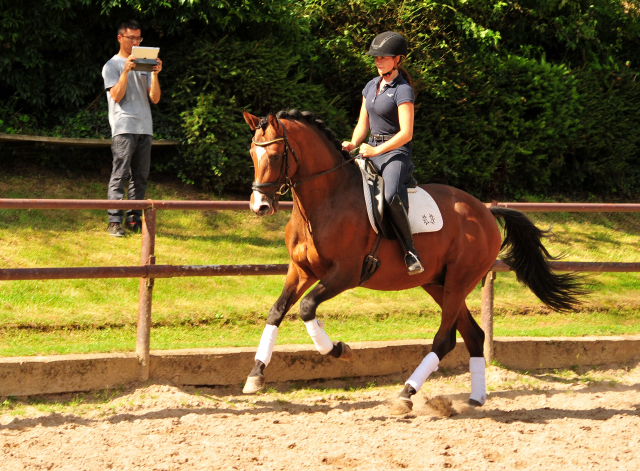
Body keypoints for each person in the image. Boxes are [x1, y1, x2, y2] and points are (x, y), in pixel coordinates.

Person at [341, 31, 423, 275]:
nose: (377, 61)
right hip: (369, 150)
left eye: (383, 57)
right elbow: (363, 124)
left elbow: (406, 133)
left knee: (390, 197)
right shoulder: (370, 86)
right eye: (375, 58)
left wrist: (376, 149)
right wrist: (353, 143)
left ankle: (410, 251)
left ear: (398, 59)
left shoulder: (403, 90)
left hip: (395, 153)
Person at [102, 19, 162, 237]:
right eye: (131, 38)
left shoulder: (145, 64)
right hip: (124, 126)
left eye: (139, 38)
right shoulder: (112, 65)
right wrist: (126, 71)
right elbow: (116, 96)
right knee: (120, 175)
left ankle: (134, 218)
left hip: (145, 126)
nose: (135, 41)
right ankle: (114, 222)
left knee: (140, 176)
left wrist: (155, 73)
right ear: (120, 38)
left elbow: (154, 98)